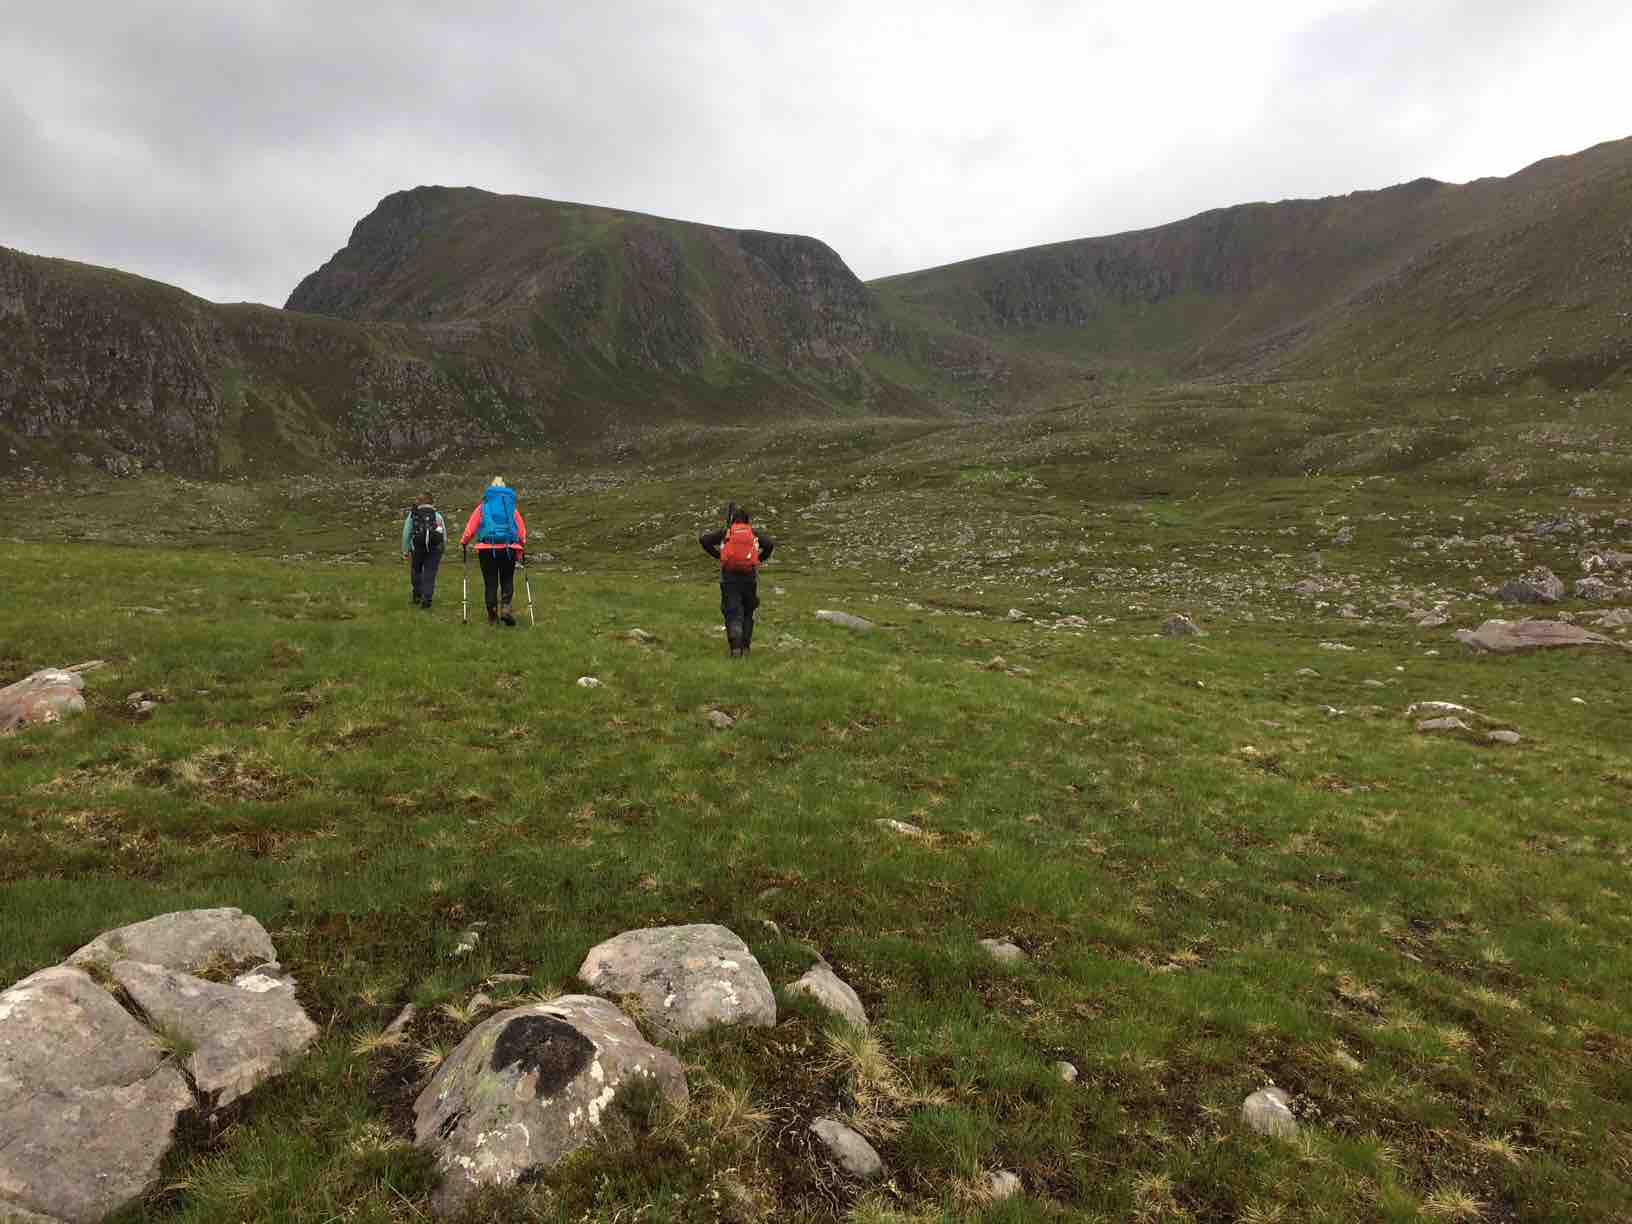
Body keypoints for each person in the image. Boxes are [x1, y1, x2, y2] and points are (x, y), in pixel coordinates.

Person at [700, 505, 775, 657]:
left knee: (732, 611)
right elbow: (769, 545)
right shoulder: (752, 533)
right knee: (748, 611)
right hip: (749, 577)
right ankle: (746, 647)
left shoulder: (726, 533)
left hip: (729, 578)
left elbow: (704, 540)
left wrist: (719, 556)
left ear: (732, 520)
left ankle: (735, 647)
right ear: (747, 521)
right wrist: (758, 560)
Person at [460, 477, 527, 626]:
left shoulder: (483, 506)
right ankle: (506, 608)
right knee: (507, 579)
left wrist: (464, 541)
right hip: (509, 548)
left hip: (487, 549)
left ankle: (492, 616)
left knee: (490, 582)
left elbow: (471, 527)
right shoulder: (510, 507)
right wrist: (521, 545)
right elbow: (521, 531)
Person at [401, 493, 447, 611]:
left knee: (416, 570)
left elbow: (407, 533)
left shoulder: (413, 515)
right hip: (434, 549)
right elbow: (443, 534)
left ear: (419, 502)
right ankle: (427, 599)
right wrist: (443, 548)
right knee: (429, 573)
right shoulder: (437, 516)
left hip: (417, 548)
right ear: (432, 503)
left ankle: (417, 595)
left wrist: (405, 550)